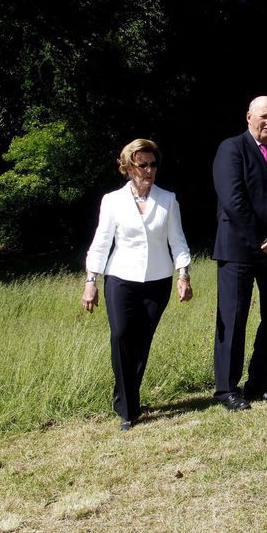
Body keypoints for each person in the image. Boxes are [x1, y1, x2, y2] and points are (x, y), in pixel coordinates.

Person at [83, 139, 193, 431]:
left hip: (158, 281)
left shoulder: (167, 200)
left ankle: (127, 398)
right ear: (129, 167)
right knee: (121, 336)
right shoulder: (112, 201)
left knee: (141, 343)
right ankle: (128, 408)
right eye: (142, 165)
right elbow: (101, 243)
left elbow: (178, 241)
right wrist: (90, 281)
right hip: (120, 279)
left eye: (153, 164)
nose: (149, 170)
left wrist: (183, 274)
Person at [212, 96, 267, 411]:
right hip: (239, 249)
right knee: (233, 318)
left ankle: (259, 383)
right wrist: (265, 241)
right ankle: (226, 389)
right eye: (263, 116)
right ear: (249, 116)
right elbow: (234, 200)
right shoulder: (231, 149)